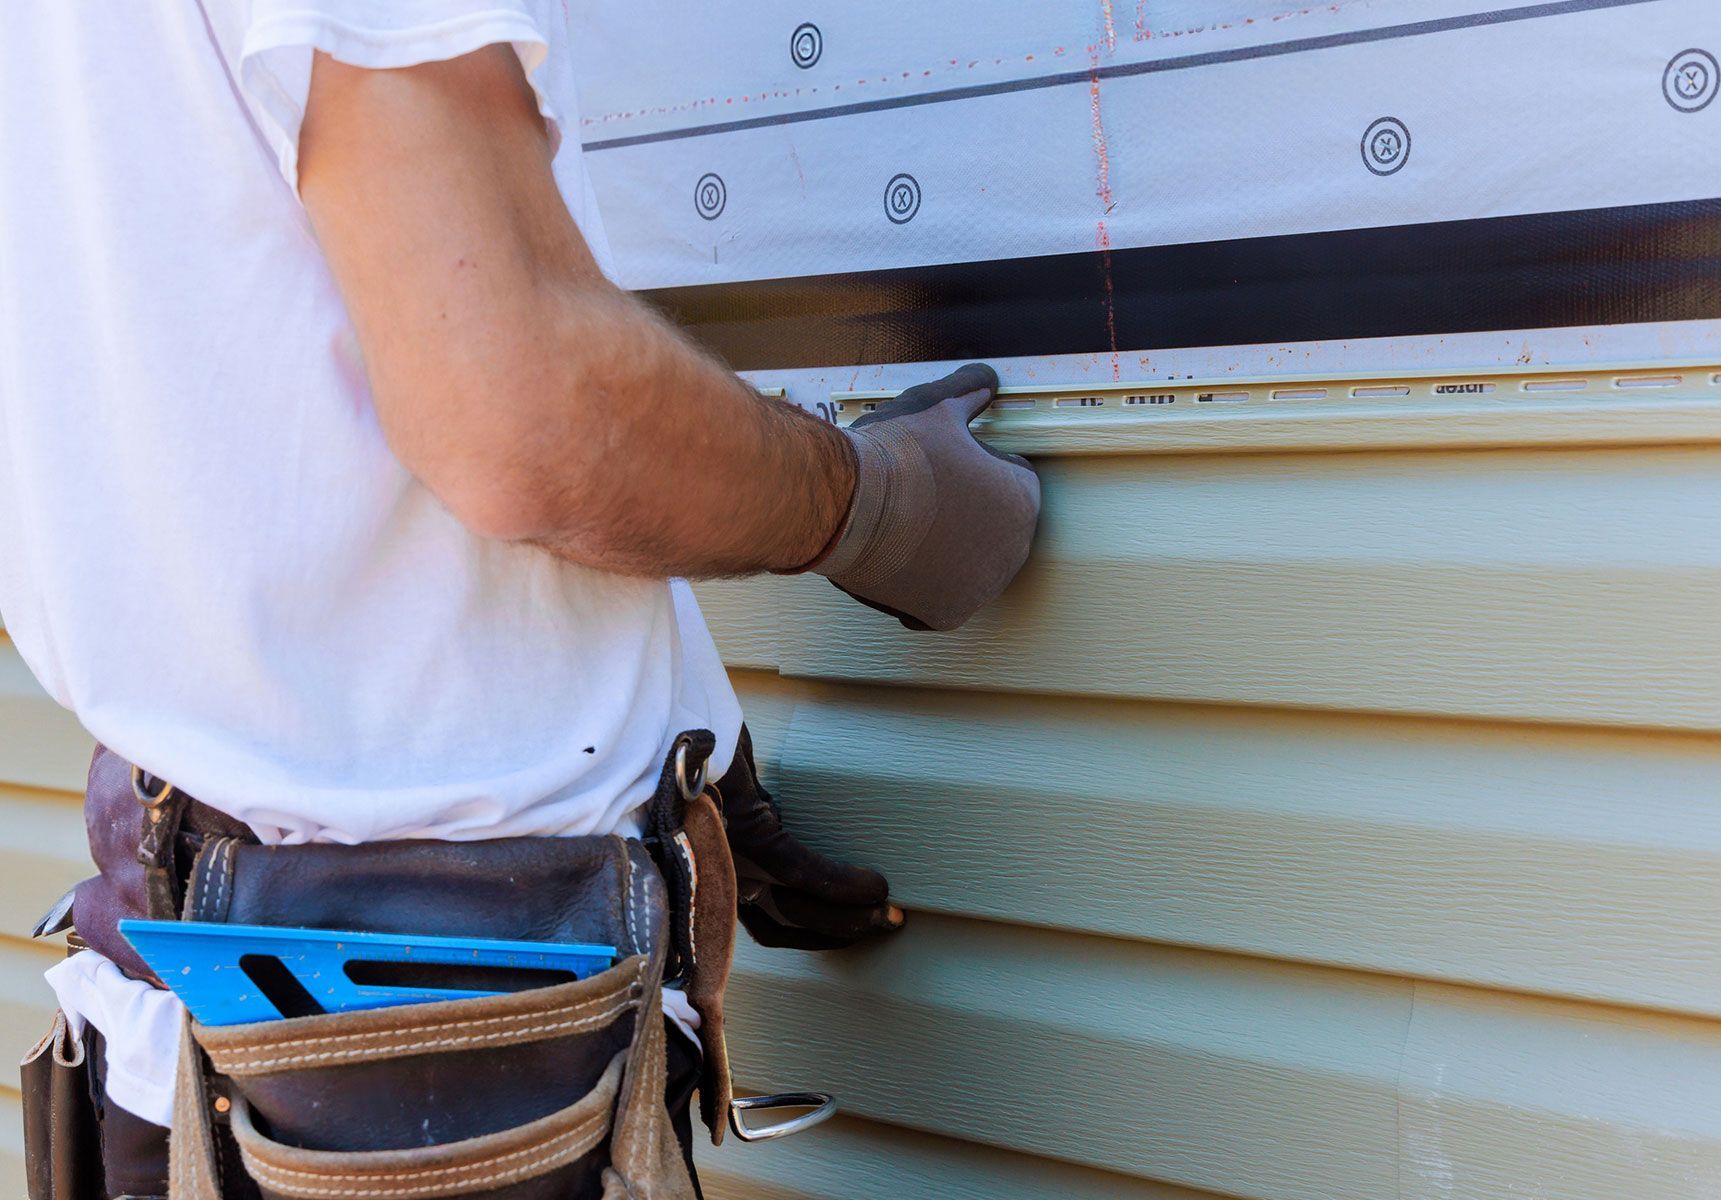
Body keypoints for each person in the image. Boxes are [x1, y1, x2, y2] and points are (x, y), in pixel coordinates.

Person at [1, 3, 1041, 1196]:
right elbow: (522, 415)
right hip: (433, 1090)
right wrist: (876, 507)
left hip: (178, 1048)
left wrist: (659, 711)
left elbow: (225, 408)